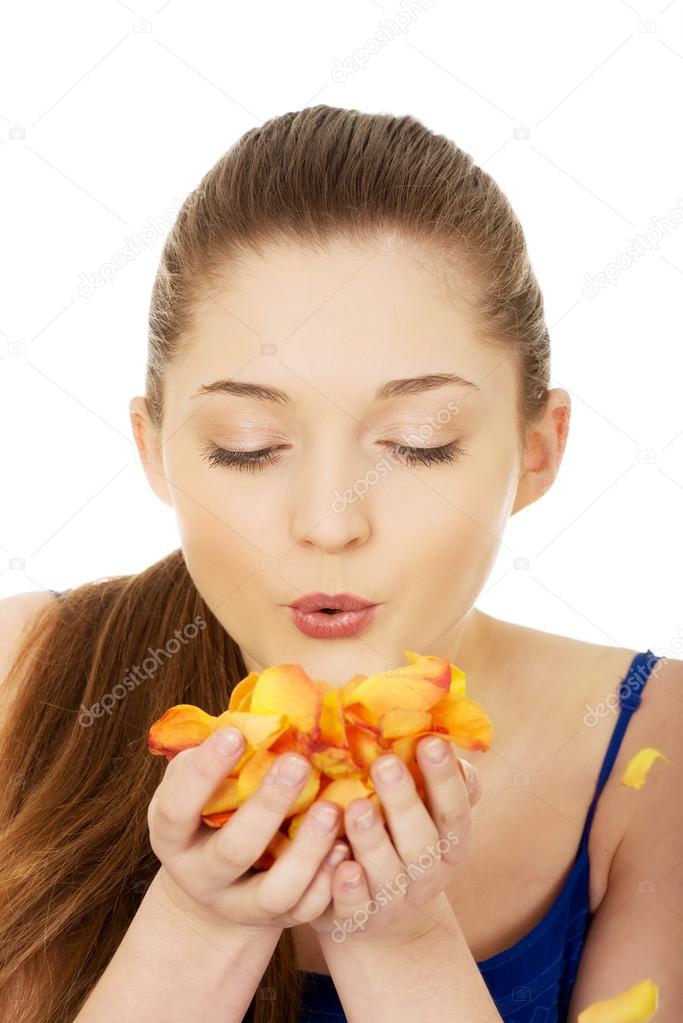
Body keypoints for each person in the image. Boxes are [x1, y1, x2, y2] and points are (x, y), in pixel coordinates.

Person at [0, 104, 680, 1023]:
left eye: (417, 443)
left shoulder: (655, 752)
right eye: (247, 445)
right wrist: (200, 921)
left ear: (535, 450)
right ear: (153, 447)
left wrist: (399, 939)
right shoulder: (22, 676)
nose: (328, 524)